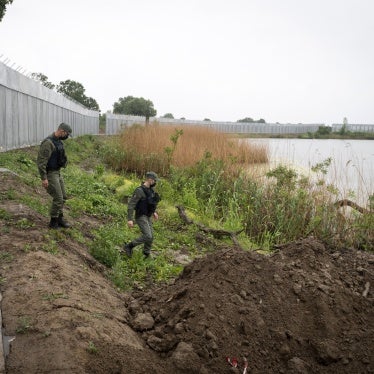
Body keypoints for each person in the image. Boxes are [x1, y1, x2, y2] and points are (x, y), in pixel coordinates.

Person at [37, 122, 72, 229]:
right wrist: (44, 178)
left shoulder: (59, 142)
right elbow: (41, 162)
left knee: (63, 197)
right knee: (58, 197)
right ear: (62, 131)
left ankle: (59, 218)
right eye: (66, 134)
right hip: (50, 173)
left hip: (57, 172)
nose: (67, 136)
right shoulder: (48, 143)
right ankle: (53, 221)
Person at [121, 171, 161, 258]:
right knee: (147, 235)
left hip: (147, 216)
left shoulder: (151, 191)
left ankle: (146, 253)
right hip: (140, 216)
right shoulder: (139, 191)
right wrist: (130, 219)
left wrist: (154, 212)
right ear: (150, 180)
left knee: (151, 237)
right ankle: (129, 246)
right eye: (154, 180)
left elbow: (150, 203)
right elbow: (131, 205)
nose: (155, 182)